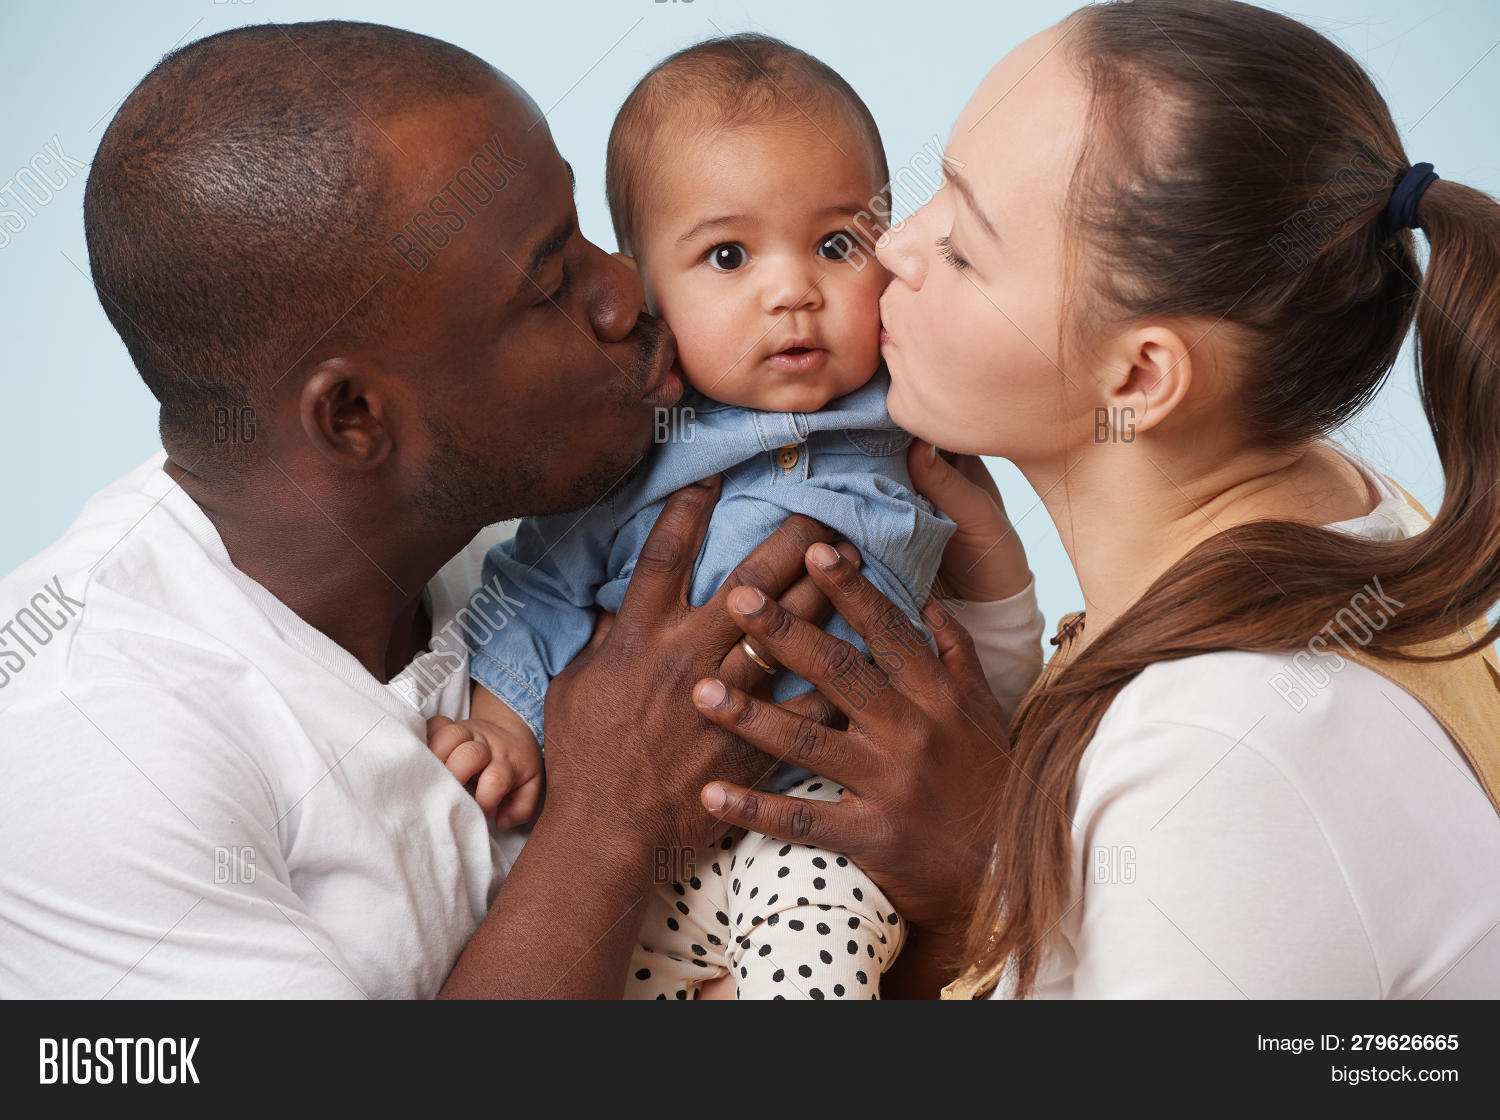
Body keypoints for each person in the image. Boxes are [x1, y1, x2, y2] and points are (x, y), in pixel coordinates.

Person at [0, 20, 1028, 998]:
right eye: (552, 285)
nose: (630, 292)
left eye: (588, 235)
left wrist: (970, 873)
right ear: (356, 415)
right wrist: (612, 815)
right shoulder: (85, 743)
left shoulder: (540, 510)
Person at [696, 0, 1500, 998]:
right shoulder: (1348, 512)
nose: (896, 247)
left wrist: (987, 886)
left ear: (1137, 380)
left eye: (963, 246)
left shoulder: (1223, 763)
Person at [426, 33, 1041, 1001]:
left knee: (822, 953)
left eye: (838, 245)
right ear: (646, 290)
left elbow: (976, 652)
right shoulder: (637, 446)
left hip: (835, 826)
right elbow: (539, 580)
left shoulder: (914, 412)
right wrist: (500, 722)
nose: (792, 289)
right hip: (626, 844)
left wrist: (999, 566)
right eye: (727, 255)